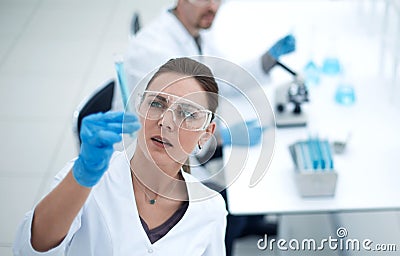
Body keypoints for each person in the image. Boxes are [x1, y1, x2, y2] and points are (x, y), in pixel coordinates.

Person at [120, 1, 295, 255]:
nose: (213, 6)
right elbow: (166, 129)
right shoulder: (152, 50)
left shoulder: (195, 32)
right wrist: (223, 138)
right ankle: (232, 230)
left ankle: (246, 221)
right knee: (226, 200)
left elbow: (221, 76)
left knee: (247, 172)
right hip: (153, 156)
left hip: (185, 138)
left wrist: (267, 61)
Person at [13, 57, 227, 255]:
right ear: (139, 108)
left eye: (187, 113)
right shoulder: (86, 182)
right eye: (157, 103)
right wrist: (83, 175)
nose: (166, 122)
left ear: (206, 134)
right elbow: (30, 249)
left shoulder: (211, 209)